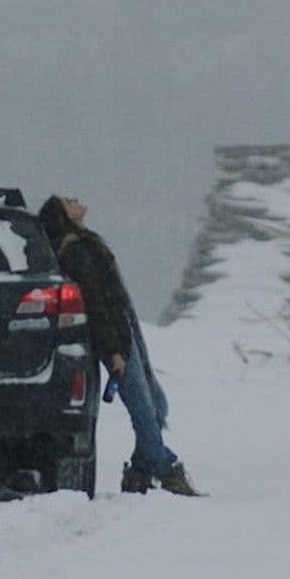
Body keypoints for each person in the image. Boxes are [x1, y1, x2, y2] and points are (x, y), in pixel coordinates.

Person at [37, 194, 201, 496]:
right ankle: (165, 468)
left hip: (125, 330)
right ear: (64, 215)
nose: (77, 201)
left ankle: (140, 471)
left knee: (156, 403)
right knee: (143, 408)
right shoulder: (76, 251)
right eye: (69, 201)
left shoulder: (84, 243)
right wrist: (113, 350)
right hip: (114, 336)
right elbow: (97, 304)